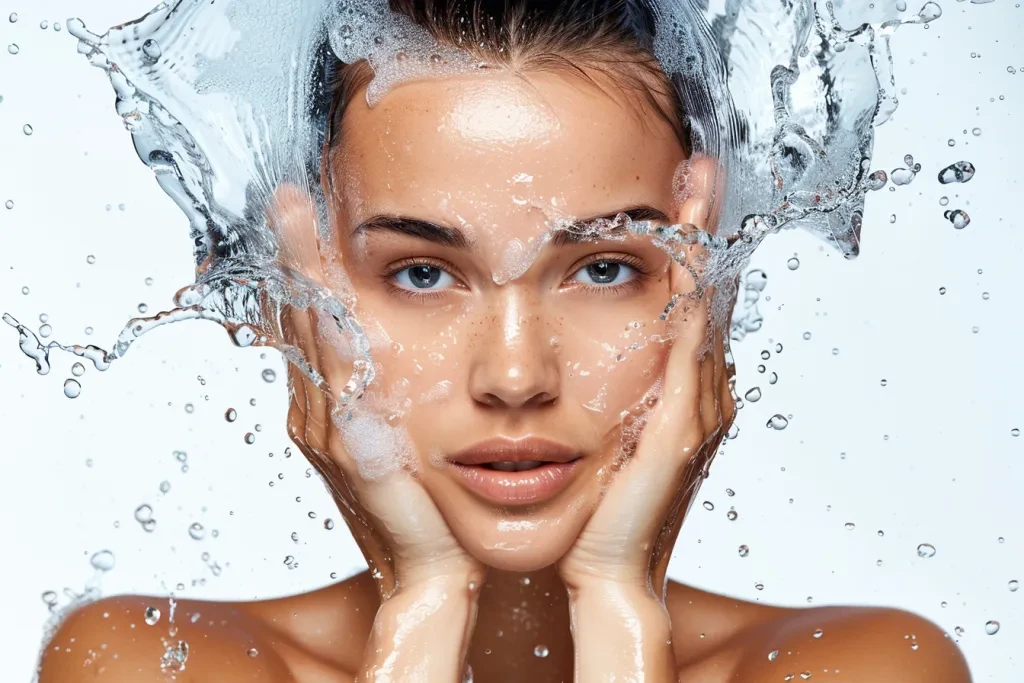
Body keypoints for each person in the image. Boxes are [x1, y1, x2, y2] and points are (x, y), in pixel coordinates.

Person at [38, 1, 971, 681]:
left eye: (603, 267)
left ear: (704, 271)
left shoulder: (870, 668)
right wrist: (422, 607)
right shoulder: (144, 663)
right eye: (422, 272)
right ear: (308, 279)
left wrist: (618, 605)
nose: (516, 376)